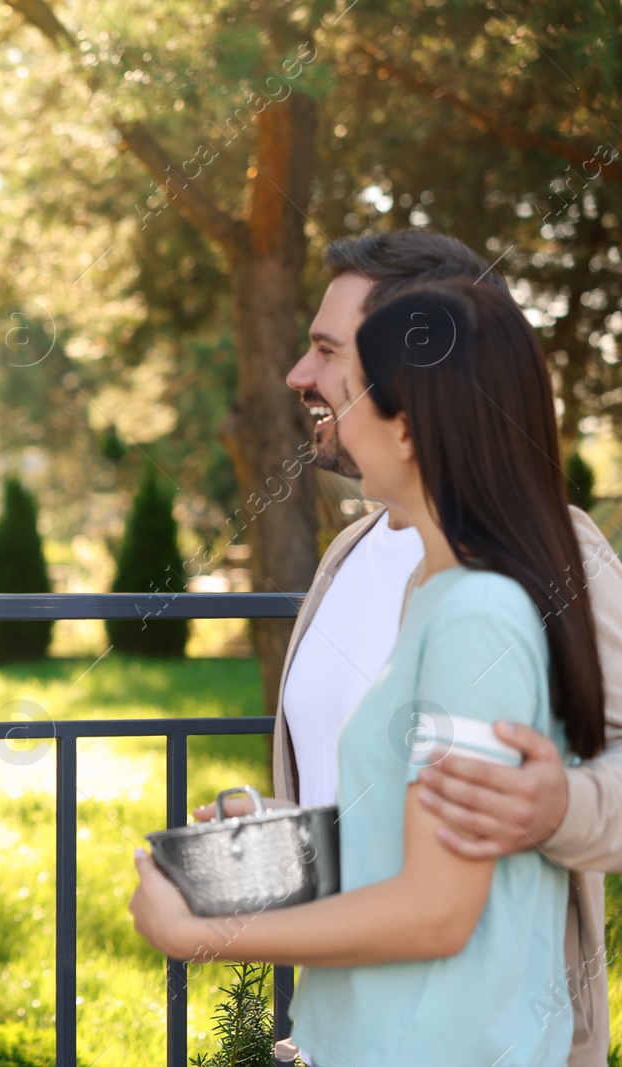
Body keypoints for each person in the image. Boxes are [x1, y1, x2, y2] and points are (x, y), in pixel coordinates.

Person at [131, 279, 606, 1064]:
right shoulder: (440, 590)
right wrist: (276, 845)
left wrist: (200, 934)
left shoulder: (475, 615)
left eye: (352, 395)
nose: (332, 417)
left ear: (409, 428)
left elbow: (437, 912)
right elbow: (420, 848)